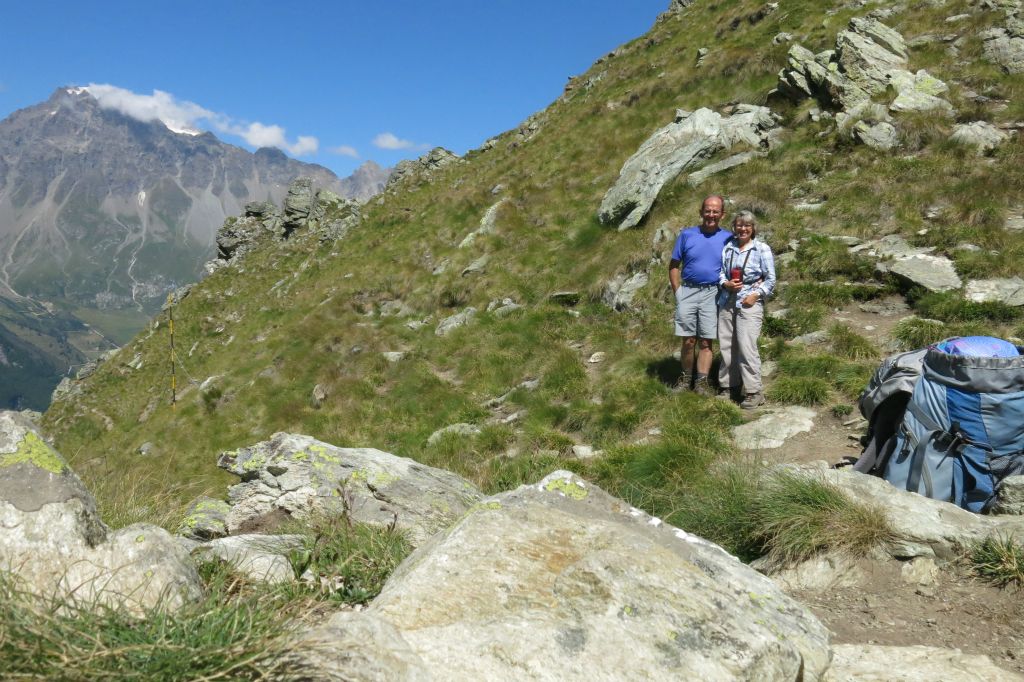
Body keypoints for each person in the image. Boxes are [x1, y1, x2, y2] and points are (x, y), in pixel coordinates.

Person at [668, 195, 733, 395]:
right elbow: (674, 266)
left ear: (722, 214)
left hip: (713, 292)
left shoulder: (728, 238)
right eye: (707, 210)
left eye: (715, 211)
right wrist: (678, 292)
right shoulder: (687, 235)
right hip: (688, 290)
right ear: (701, 212)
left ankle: (702, 382)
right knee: (688, 339)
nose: (711, 215)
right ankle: (686, 378)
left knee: (706, 341)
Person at [717, 210, 776, 409]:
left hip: (749, 302)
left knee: (746, 345)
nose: (743, 229)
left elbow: (771, 279)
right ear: (734, 228)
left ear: (753, 229)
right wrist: (726, 284)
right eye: (739, 225)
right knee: (726, 344)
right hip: (727, 300)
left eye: (747, 226)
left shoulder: (761, 249)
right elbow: (720, 274)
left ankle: (754, 391)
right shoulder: (728, 248)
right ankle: (729, 386)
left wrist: (756, 294)